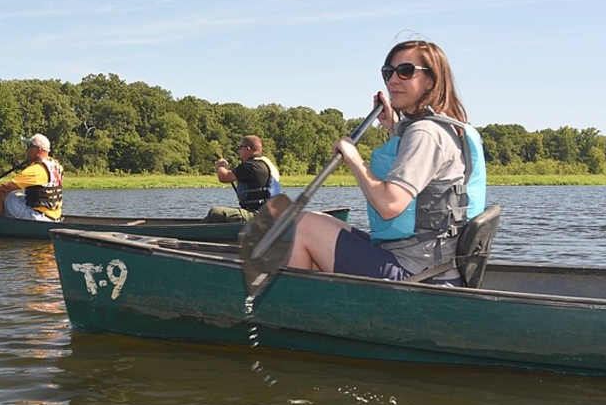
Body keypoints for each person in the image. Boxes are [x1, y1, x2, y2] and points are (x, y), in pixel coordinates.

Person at [286, 39, 486, 286]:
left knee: (302, 226)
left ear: (430, 81)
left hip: (417, 275)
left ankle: (300, 313)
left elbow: (390, 204)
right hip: (434, 267)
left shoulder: (425, 133)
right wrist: (393, 126)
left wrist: (353, 157)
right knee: (317, 220)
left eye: (406, 72)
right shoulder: (447, 126)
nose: (393, 80)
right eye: (388, 72)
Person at [0, 133, 64, 221]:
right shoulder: (56, 165)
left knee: (1, 194)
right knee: (17, 194)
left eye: (30, 147)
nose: (27, 150)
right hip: (54, 217)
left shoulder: (36, 170)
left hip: (38, 217)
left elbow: (5, 188)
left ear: (39, 150)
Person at [203, 135, 282, 222]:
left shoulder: (251, 166)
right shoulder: (263, 163)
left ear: (247, 149)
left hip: (258, 215)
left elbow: (224, 177)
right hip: (269, 215)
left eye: (240, 148)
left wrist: (220, 166)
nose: (238, 151)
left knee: (215, 212)